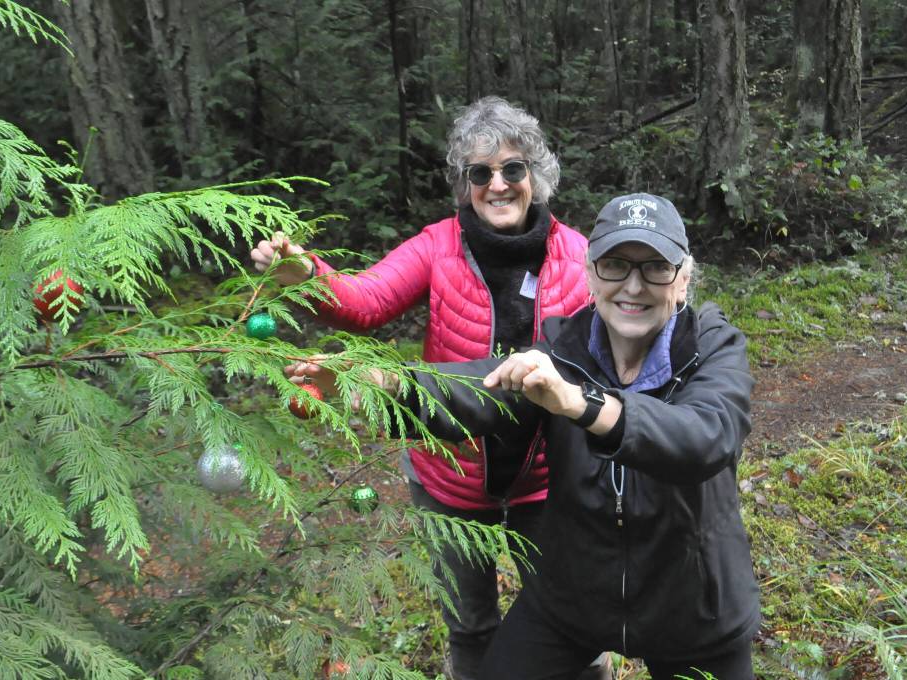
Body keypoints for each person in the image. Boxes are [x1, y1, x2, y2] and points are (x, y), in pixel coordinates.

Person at [288, 193, 760, 679]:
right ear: (592, 276)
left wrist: (583, 404)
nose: (634, 287)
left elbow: (707, 435)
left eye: (655, 268)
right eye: (616, 265)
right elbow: (481, 388)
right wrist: (383, 383)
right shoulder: (564, 346)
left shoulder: (711, 347)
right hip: (575, 595)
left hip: (693, 604)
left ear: (682, 281)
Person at [252, 97, 611, 680]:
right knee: (470, 625)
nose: (498, 185)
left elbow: (614, 348)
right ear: (464, 183)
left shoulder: (579, 257)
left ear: (535, 176)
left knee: (573, 617)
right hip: (451, 480)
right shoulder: (437, 247)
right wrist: (309, 276)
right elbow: (366, 302)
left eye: (512, 169)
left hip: (548, 484)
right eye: (480, 173)